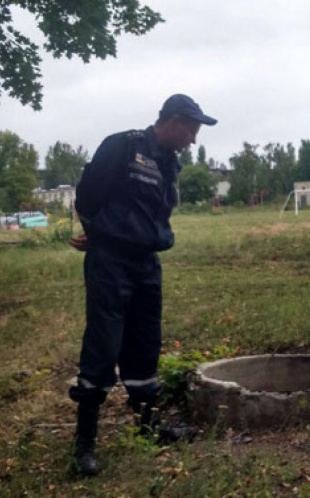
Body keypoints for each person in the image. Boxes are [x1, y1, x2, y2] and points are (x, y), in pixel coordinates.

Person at [67, 94, 217, 475]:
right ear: (174, 121)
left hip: (147, 263)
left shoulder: (169, 162)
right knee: (104, 342)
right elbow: (87, 195)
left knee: (145, 342)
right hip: (111, 261)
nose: (193, 140)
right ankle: (84, 443)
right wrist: (98, 234)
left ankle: (149, 426)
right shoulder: (125, 146)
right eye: (192, 130)